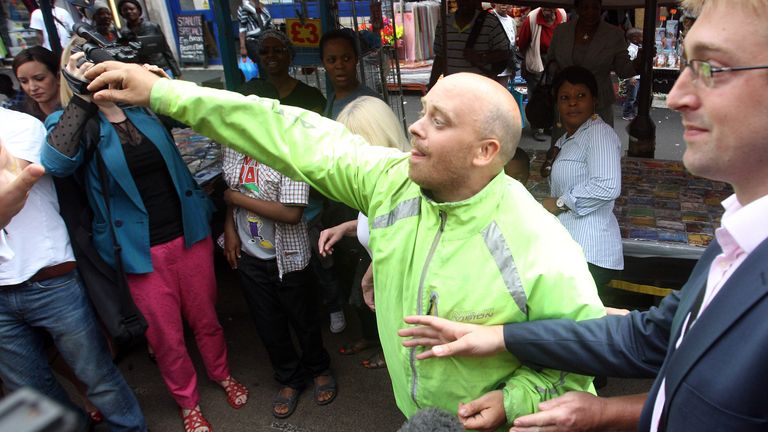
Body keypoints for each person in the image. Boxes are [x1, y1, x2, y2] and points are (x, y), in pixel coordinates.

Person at [81, 62, 609, 429]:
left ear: (485, 151)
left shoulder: (539, 246)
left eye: (438, 122)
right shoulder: (395, 181)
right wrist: (168, 93)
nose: (416, 130)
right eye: (423, 112)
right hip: (416, 419)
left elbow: (578, 364)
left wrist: (510, 402)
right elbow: (291, 132)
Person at [398, 1, 768, 430]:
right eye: (686, 64)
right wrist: (504, 339)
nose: (680, 95)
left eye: (711, 67)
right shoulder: (736, 242)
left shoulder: (601, 137)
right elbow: (649, 338)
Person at [41, 41, 247, 432]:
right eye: (84, 65)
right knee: (166, 336)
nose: (95, 69)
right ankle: (188, 402)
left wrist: (158, 81)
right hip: (138, 250)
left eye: (99, 62)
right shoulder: (74, 120)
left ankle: (221, 374)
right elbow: (55, 162)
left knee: (206, 317)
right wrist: (83, 98)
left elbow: (193, 117)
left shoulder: (142, 106)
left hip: (188, 233)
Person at [0, 107, 148, 432]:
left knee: (96, 374)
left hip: (50, 280)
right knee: (26, 393)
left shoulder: (18, 125)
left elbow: (8, 198)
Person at [223, 30, 334, 421]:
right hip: (251, 256)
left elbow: (290, 213)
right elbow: (228, 188)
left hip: (289, 254)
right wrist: (231, 227)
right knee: (268, 324)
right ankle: (289, 377)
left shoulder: (290, 152)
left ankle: (319, 368)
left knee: (303, 318)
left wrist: (235, 201)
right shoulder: (234, 146)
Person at [318, 96, 410, 371]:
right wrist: (346, 228)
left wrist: (373, 272)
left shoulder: (405, 189)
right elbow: (376, 223)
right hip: (387, 299)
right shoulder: (375, 183)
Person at [317, 28, 382, 333]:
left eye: (345, 58)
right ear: (324, 64)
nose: (339, 65)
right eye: (332, 60)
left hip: (358, 195)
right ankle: (368, 334)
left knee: (365, 273)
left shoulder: (365, 102)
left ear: (356, 60)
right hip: (344, 198)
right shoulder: (332, 100)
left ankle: (374, 337)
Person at [540, 66, 623, 291]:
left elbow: (607, 185)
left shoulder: (598, 133)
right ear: (557, 103)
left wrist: (560, 202)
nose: (573, 103)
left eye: (580, 96)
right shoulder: (568, 138)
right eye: (565, 97)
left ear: (594, 100)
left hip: (589, 251)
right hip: (571, 249)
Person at [546, 0, 640, 131]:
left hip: (599, 105)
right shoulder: (562, 31)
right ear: (577, 9)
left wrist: (641, 61)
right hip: (567, 104)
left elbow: (623, 70)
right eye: (585, 7)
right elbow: (550, 60)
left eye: (595, 7)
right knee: (564, 147)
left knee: (598, 147)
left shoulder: (613, 34)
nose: (590, 12)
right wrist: (560, 73)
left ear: (601, 8)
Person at [238, 29, 325, 114]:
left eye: (278, 50)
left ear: (290, 55)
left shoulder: (310, 96)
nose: (270, 55)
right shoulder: (251, 94)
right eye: (264, 51)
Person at [428, 0, 511, 88]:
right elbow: (440, 58)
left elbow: (505, 54)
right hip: (452, 89)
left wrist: (481, 57)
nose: (465, 2)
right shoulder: (444, 23)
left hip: (480, 89)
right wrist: (431, 86)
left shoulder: (490, 23)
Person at [516, 7, 567, 141]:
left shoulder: (562, 15)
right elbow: (522, 42)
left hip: (554, 59)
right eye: (544, 9)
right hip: (536, 58)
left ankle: (548, 124)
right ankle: (537, 126)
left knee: (552, 92)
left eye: (549, 10)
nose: (546, 12)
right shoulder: (532, 18)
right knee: (537, 94)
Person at [118, 0, 181, 79]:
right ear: (122, 13)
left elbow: (166, 50)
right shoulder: (123, 33)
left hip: (162, 68)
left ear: (138, 10)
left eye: (131, 9)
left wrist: (177, 72)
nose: (129, 12)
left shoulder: (152, 26)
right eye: (125, 10)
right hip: (142, 72)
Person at [11, 46, 60, 121]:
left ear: (58, 77)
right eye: (24, 81)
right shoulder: (18, 116)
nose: (32, 87)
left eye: (39, 79)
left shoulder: (78, 109)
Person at [237, 0, 273, 66]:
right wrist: (243, 47)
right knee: (266, 66)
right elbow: (242, 29)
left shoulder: (261, 5)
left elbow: (268, 22)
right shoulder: (245, 6)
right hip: (254, 42)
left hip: (267, 40)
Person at [621, 28, 642, 121]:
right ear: (634, 38)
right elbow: (628, 64)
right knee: (631, 97)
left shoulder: (637, 48)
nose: (642, 38)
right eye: (640, 36)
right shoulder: (631, 49)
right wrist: (631, 77)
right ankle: (627, 113)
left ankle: (632, 112)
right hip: (633, 78)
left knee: (635, 96)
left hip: (637, 77)